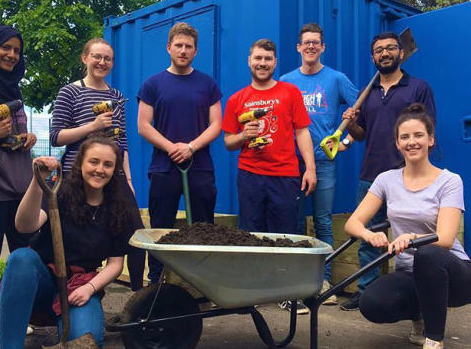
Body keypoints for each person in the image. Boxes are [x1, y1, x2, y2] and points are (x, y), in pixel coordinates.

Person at [344, 103, 470, 349]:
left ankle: (434, 339)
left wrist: (412, 237)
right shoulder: (386, 180)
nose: (412, 142)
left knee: (429, 253)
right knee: (371, 303)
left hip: (452, 274)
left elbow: (444, 238)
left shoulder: (450, 181)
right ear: (398, 143)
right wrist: (369, 235)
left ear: (431, 140)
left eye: (418, 135)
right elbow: (352, 223)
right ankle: (421, 314)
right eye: (405, 137)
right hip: (410, 272)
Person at [0, 136, 139, 348]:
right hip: (39, 282)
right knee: (21, 258)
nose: (100, 169)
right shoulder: (60, 191)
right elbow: (25, 226)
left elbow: (115, 264)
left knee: (87, 339)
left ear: (114, 169)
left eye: (107, 164)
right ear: (81, 162)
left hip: (79, 286)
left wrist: (89, 288)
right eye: (94, 161)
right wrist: (37, 182)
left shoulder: (119, 206)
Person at [340, 31, 437, 311]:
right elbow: (361, 135)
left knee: (413, 234)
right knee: (367, 235)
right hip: (372, 173)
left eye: (390, 48)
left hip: (407, 174)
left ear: (401, 53)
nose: (385, 53)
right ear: (373, 57)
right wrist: (352, 123)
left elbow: (427, 129)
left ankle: (415, 291)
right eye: (379, 50)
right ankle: (367, 290)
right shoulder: (365, 94)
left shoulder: (418, 87)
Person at [222, 39, 316, 314]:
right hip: (250, 174)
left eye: (268, 59)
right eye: (258, 58)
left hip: (286, 174)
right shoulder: (237, 99)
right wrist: (244, 135)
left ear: (275, 63)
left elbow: (302, 132)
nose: (262, 63)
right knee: (250, 234)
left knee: (285, 236)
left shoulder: (290, 92)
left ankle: (286, 293)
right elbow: (228, 142)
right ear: (248, 61)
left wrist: (309, 168)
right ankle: (250, 293)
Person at [50, 38, 145, 291]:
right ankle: (66, 288)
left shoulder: (116, 97)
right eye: (97, 56)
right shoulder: (69, 92)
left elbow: (121, 141)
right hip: (75, 177)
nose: (102, 62)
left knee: (136, 232)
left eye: (107, 58)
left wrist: (128, 180)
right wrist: (92, 126)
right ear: (85, 58)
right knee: (66, 236)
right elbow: (56, 137)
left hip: (112, 176)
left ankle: (139, 298)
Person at [137, 22, 222, 284]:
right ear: (169, 48)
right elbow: (143, 125)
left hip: (199, 166)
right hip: (164, 166)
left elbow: (217, 124)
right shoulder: (153, 84)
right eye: (178, 45)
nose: (183, 50)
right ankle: (157, 281)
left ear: (196, 51)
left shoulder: (207, 84)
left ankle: (203, 281)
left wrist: (191, 147)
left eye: (188, 46)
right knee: (161, 226)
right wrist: (171, 147)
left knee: (203, 226)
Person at [280, 23, 358, 305]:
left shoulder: (336, 79)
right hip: (292, 163)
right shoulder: (286, 81)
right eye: (306, 43)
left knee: (323, 221)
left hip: (323, 162)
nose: (311, 47)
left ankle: (322, 280)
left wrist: (346, 143)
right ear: (298, 48)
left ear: (323, 47)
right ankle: (299, 282)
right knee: (296, 222)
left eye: (316, 43)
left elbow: (361, 111)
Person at [0, 25, 37, 345]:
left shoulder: (13, 89)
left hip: (19, 187)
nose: (12, 55)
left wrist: (26, 139)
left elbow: (12, 135)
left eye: (17, 50)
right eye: (6, 48)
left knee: (22, 257)